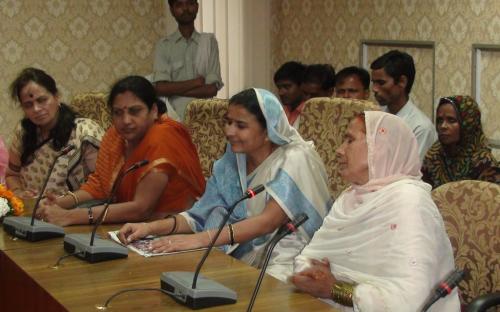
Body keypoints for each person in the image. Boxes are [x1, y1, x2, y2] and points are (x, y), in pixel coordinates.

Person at [118, 88, 332, 281]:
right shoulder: (232, 161)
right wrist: (148, 228)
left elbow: (267, 222)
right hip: (239, 252)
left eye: (240, 125)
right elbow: (199, 215)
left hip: (288, 257)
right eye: (228, 122)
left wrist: (199, 240)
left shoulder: (294, 158)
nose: (229, 132)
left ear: (268, 130)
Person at [291, 111, 459, 311]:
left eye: (349, 140)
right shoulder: (351, 197)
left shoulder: (409, 202)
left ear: (379, 148)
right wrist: (315, 275)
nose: (339, 150)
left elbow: (411, 301)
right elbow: (307, 259)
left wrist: (336, 289)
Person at [37, 76, 206, 226]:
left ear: (153, 111)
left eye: (135, 111)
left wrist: (70, 216)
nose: (126, 120)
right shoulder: (116, 136)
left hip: (174, 229)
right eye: (118, 113)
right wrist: (60, 203)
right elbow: (100, 185)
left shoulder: (162, 137)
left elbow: (141, 209)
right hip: (131, 227)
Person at [6, 67, 103, 197]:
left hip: (77, 212)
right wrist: (19, 193)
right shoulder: (23, 132)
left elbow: (103, 186)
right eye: (28, 105)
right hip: (30, 213)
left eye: (42, 100)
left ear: (57, 97)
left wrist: (62, 204)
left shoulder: (85, 132)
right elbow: (12, 174)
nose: (36, 109)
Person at [152, 0, 223, 120]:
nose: (185, 8)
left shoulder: (209, 43)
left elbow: (211, 89)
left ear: (196, 6)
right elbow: (160, 88)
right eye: (179, 4)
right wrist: (195, 82)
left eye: (190, 3)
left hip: (205, 119)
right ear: (172, 10)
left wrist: (173, 90)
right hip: (174, 118)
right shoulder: (163, 46)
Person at [370, 50, 437, 161]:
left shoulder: (420, 127)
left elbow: (413, 172)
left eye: (381, 83)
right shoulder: (377, 117)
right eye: (374, 82)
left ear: (402, 82)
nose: (374, 89)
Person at [422, 95, 500, 188]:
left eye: (451, 120)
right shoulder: (433, 155)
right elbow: (422, 192)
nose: (443, 126)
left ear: (468, 123)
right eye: (439, 120)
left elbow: (492, 199)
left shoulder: (483, 162)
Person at [273, 61, 307, 128]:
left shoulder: (310, 112)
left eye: (287, 87)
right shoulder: (282, 112)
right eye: (279, 87)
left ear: (302, 86)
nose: (281, 92)